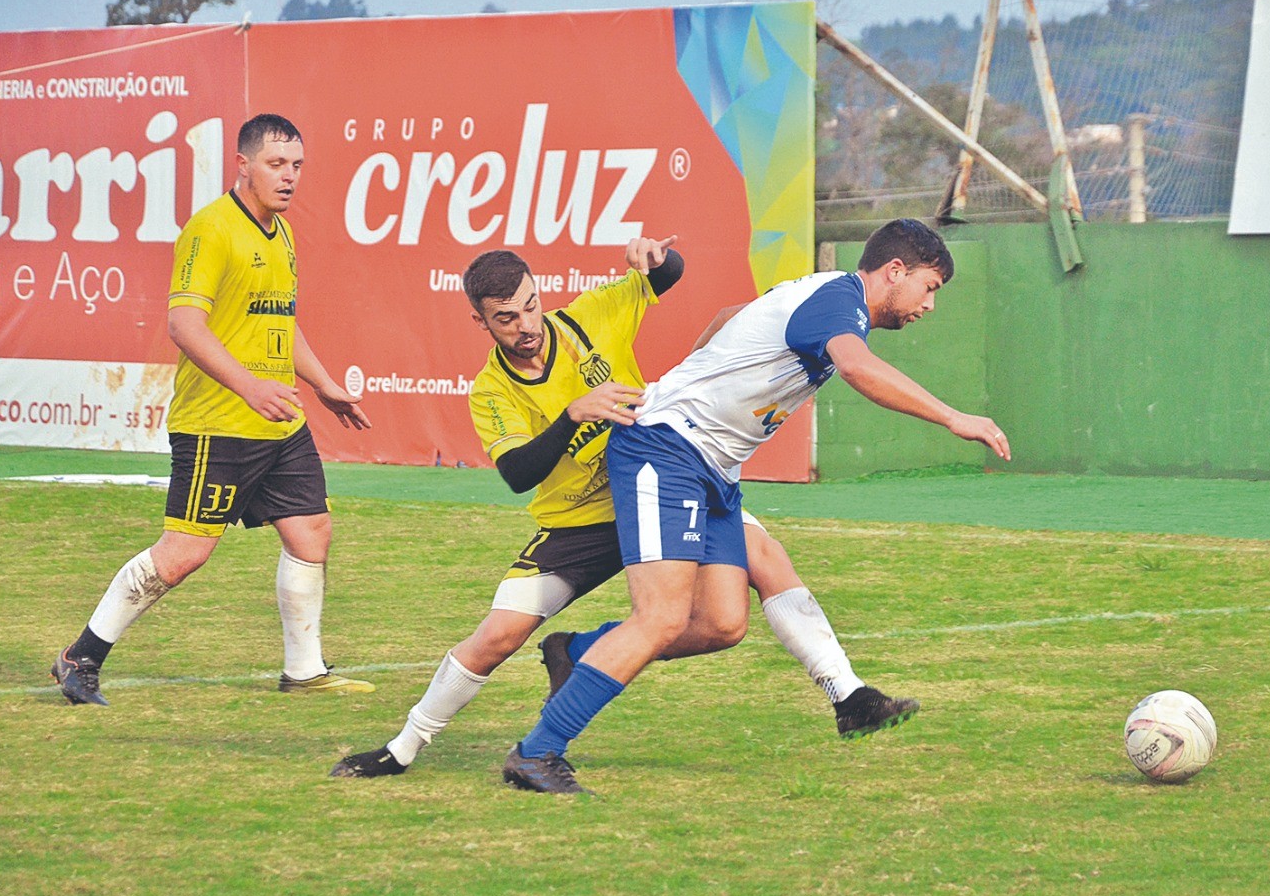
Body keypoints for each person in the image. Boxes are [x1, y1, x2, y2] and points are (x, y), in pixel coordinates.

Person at [330, 239, 918, 779]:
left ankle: (847, 694)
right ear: (480, 321)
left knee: (728, 614)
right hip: (582, 525)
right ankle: (403, 748)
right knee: (498, 636)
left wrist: (657, 255)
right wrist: (572, 414)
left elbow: (668, 273)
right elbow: (517, 474)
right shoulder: (491, 389)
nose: (525, 326)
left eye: (530, 307)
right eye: (505, 318)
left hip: (663, 481)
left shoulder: (589, 316)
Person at [500, 218, 1010, 794]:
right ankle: (536, 752)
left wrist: (694, 373)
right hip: (665, 450)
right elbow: (858, 367)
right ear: (895, 271)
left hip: (711, 466)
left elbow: (726, 319)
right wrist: (954, 417)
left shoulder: (824, 295)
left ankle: (578, 651)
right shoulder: (841, 302)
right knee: (662, 617)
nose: (929, 304)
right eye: (930, 286)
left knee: (721, 622)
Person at [50, 113, 375, 707]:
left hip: (279, 420)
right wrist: (250, 386)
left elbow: (280, 321)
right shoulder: (211, 229)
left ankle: (303, 671)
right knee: (183, 555)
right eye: (277, 164)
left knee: (311, 532)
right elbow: (183, 324)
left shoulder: (282, 233)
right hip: (216, 426)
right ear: (243, 164)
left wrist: (323, 385)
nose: (289, 177)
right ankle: (81, 657)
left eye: (297, 166)